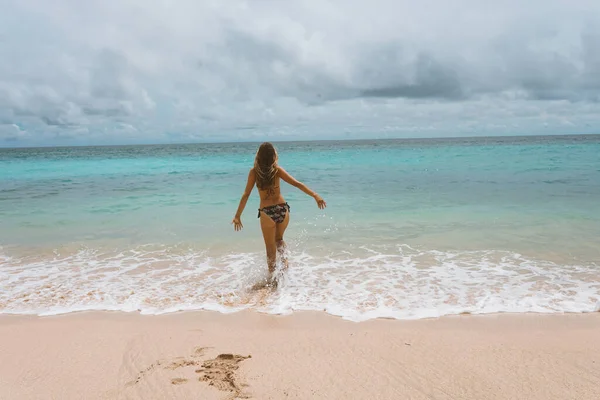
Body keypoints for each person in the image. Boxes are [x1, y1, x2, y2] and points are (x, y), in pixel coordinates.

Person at [232, 142, 326, 283]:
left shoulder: (254, 172)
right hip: (282, 209)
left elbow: (246, 194)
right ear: (273, 156)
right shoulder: (277, 170)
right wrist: (315, 195)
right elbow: (297, 183)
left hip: (266, 212)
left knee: (270, 250)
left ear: (258, 156)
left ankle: (273, 281)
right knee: (279, 240)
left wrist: (237, 216)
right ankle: (285, 269)